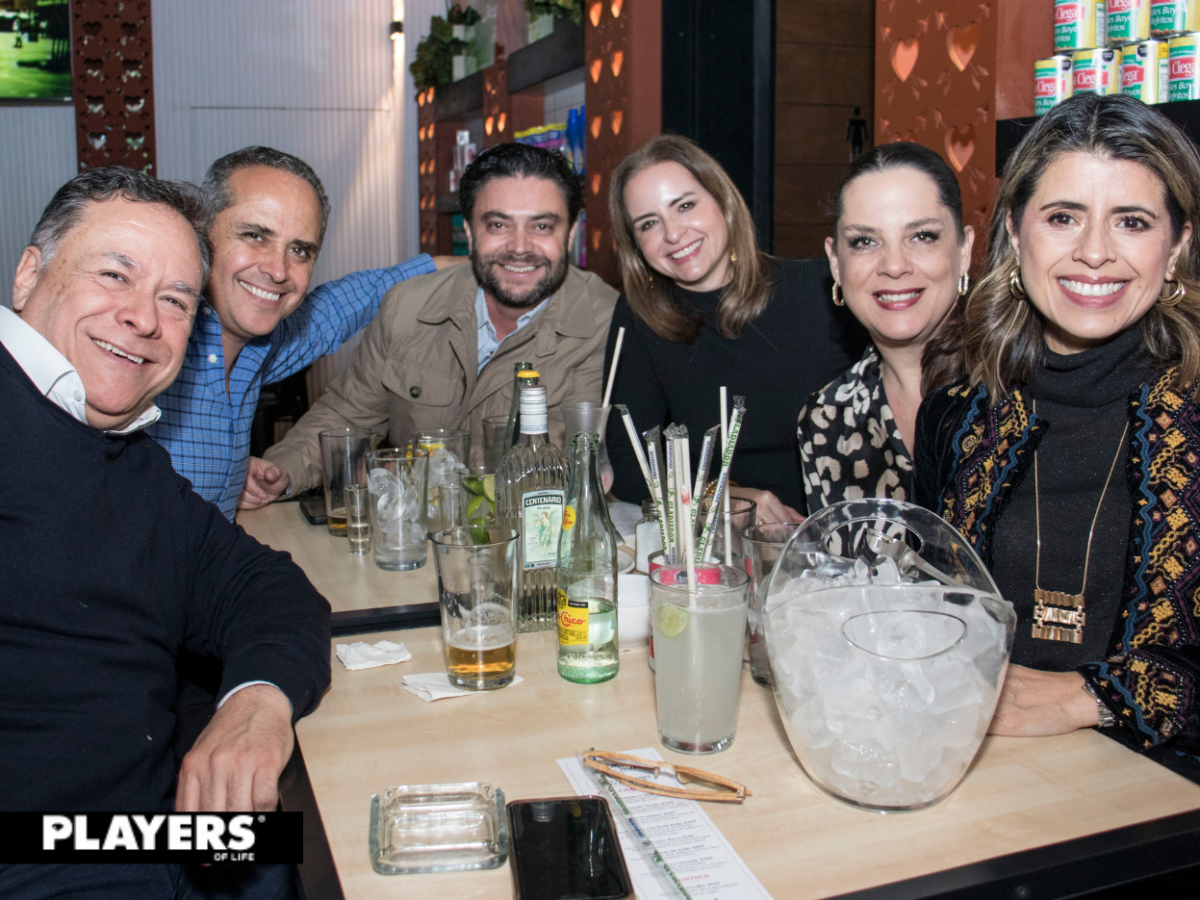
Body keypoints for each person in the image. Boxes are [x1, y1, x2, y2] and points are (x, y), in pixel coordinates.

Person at [0, 167, 331, 896]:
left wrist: (255, 702)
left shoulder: (128, 460)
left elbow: (267, 586)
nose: (144, 318)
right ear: (29, 273)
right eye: (115, 274)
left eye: (175, 301)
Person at [914, 93, 1200, 762]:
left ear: (1179, 243)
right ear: (1015, 230)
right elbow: (925, 608)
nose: (1094, 252)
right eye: (1064, 217)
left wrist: (1091, 696)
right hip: (977, 774)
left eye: (1131, 221)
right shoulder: (957, 411)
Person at [247, 142, 617, 504]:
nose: (519, 247)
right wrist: (280, 470)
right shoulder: (407, 306)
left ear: (569, 235)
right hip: (415, 547)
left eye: (541, 227)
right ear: (470, 233)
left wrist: (409, 474)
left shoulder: (607, 322)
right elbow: (347, 413)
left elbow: (577, 465)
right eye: (499, 225)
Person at [146, 145, 444, 520]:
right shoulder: (145, 342)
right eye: (256, 235)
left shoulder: (258, 348)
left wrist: (467, 264)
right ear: (201, 234)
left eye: (300, 250)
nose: (278, 270)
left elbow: (337, 308)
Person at [603, 134, 867, 524]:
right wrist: (721, 497)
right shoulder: (640, 315)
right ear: (635, 244)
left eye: (686, 205)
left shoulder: (820, 291)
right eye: (648, 224)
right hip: (720, 554)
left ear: (723, 202)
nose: (673, 234)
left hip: (840, 542)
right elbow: (629, 464)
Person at [796, 143, 974, 513]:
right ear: (835, 263)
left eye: (922, 235)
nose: (894, 265)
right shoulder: (829, 419)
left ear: (964, 250)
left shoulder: (1022, 387)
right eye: (864, 241)